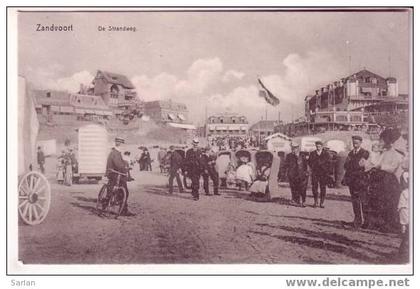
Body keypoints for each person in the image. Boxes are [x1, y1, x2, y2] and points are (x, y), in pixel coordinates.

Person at [343, 135, 370, 229]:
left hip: (361, 180)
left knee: (363, 201)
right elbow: (345, 165)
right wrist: (352, 165)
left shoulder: (365, 153)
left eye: (357, 142)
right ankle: (357, 221)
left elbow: (360, 165)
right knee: (355, 201)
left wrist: (352, 165)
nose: (355, 144)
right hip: (352, 181)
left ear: (360, 143)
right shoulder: (350, 153)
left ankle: (366, 222)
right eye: (354, 142)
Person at [106, 137, 135, 216]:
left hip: (113, 174)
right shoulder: (115, 153)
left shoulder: (115, 152)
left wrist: (125, 165)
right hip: (115, 174)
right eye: (122, 144)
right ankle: (123, 210)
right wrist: (125, 168)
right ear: (119, 144)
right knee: (124, 191)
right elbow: (118, 165)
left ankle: (106, 204)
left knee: (112, 190)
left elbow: (120, 163)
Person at [285, 142, 309, 207]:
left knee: (303, 188)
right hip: (292, 175)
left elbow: (306, 165)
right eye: (292, 148)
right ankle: (296, 200)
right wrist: (287, 174)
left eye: (295, 148)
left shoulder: (302, 155)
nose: (294, 150)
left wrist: (306, 173)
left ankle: (303, 201)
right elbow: (286, 165)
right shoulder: (289, 156)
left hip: (301, 175)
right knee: (294, 188)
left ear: (298, 148)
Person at [308, 140, 331, 208]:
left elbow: (329, 163)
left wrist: (326, 170)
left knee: (323, 187)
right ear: (316, 146)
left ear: (322, 146)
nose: (318, 147)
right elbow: (309, 162)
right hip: (315, 173)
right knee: (314, 187)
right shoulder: (312, 153)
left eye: (319, 146)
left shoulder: (326, 154)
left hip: (323, 173)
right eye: (317, 146)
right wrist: (313, 166)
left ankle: (322, 202)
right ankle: (315, 201)